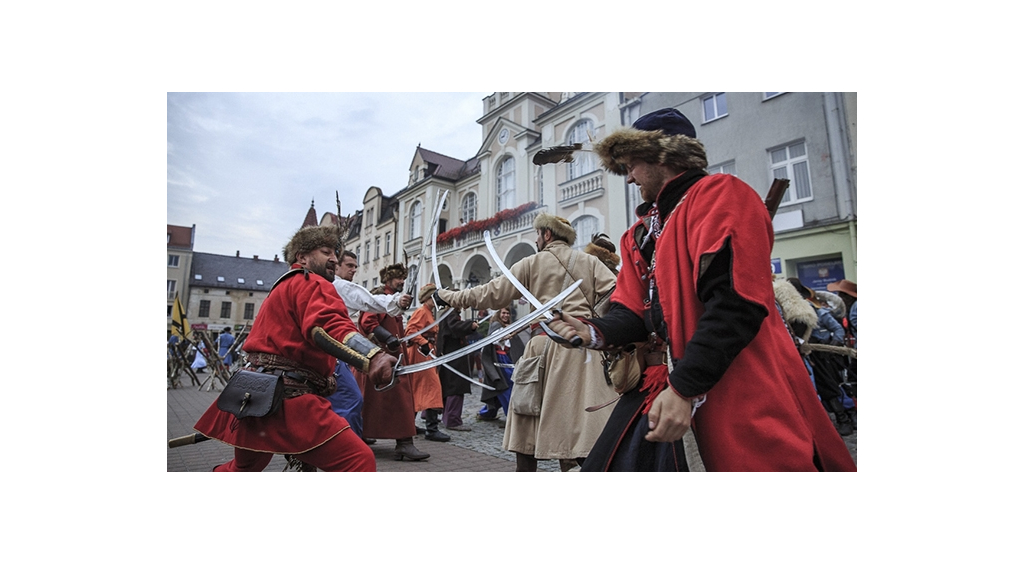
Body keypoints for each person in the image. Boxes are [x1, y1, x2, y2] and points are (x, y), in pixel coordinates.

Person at [548, 108, 856, 471]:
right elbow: (632, 312)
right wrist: (594, 330)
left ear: (662, 155)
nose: (629, 178)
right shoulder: (639, 235)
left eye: (632, 165)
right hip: (670, 385)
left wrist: (684, 388)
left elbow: (735, 305)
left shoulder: (721, 195)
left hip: (741, 384)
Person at [192, 225, 397, 471]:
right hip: (289, 401)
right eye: (326, 251)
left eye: (335, 252)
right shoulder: (313, 283)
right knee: (358, 461)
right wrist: (372, 356)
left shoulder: (281, 287)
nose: (334, 258)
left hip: (254, 397)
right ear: (302, 256)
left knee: (243, 470)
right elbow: (327, 326)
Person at [433, 213, 618, 472]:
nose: (536, 239)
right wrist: (596, 324)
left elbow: (489, 294)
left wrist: (447, 296)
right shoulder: (590, 262)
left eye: (538, 235)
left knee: (526, 431)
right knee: (581, 428)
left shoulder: (531, 263)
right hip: (583, 350)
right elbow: (617, 296)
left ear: (547, 234)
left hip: (543, 348)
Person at [325, 249, 409, 443]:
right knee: (352, 400)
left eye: (355, 266)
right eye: (349, 266)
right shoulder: (336, 286)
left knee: (348, 400)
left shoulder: (341, 286)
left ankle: (350, 442)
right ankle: (348, 446)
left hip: (377, 356)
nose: (354, 270)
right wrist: (386, 339)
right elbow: (369, 313)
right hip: (370, 356)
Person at [357, 263, 429, 461]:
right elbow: (368, 323)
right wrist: (387, 338)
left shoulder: (394, 300)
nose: (402, 281)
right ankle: (403, 443)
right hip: (382, 358)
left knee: (390, 399)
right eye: (399, 278)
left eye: (403, 278)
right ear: (388, 279)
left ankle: (376, 435)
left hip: (394, 356)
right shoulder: (379, 299)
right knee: (396, 399)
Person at [404, 283, 448, 442]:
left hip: (426, 353)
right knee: (432, 388)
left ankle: (409, 425)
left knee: (418, 389)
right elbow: (410, 330)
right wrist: (423, 343)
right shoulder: (422, 312)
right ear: (429, 297)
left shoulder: (428, 312)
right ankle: (432, 428)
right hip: (420, 354)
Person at [433, 306, 480, 432]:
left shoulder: (448, 314)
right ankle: (452, 419)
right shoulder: (450, 314)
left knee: (446, 385)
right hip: (453, 356)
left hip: (449, 355)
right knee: (456, 387)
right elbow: (455, 327)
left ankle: (432, 415)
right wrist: (470, 326)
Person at [478, 306, 524, 420]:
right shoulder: (496, 325)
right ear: (499, 314)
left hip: (506, 359)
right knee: (504, 386)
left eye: (507, 313)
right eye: (503, 313)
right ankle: (511, 417)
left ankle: (486, 413)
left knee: (506, 386)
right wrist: (506, 334)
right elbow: (494, 339)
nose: (506, 315)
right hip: (498, 359)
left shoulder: (509, 326)